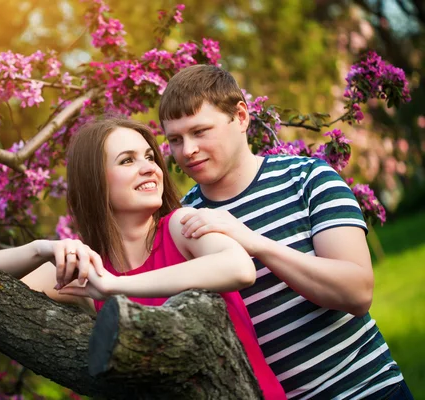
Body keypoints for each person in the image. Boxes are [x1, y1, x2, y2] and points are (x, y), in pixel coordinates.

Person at [0, 118, 286, 399]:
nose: (149, 168)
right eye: (128, 160)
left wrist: (117, 286)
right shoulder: (92, 267)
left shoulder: (181, 226)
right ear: (95, 181)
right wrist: (38, 249)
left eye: (150, 157)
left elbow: (240, 268)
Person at [158, 64, 413, 399]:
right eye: (174, 139)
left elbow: (357, 293)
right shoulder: (180, 222)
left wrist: (253, 242)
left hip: (368, 390)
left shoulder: (309, 179)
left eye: (200, 131)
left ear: (241, 117)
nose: (187, 150)